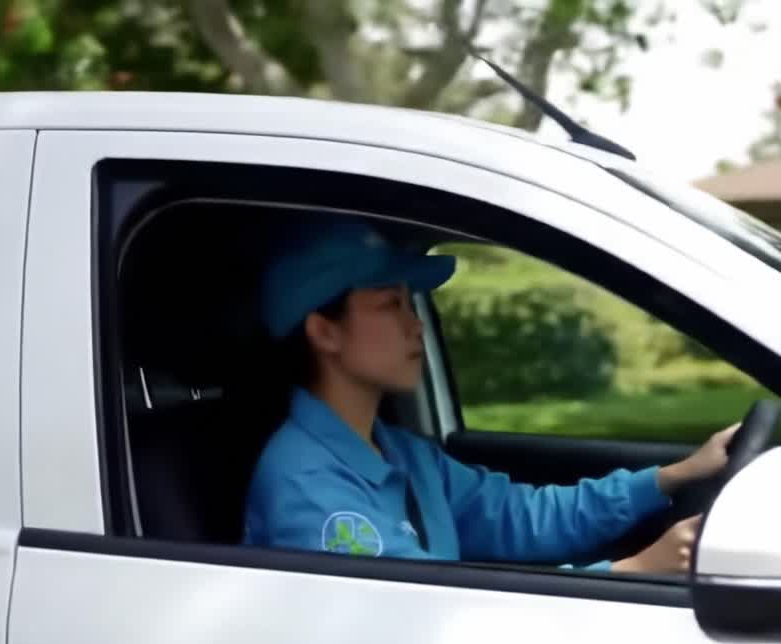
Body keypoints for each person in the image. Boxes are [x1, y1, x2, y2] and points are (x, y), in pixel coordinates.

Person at [242, 217, 737, 573]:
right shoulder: (305, 482)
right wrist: (633, 573)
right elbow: (418, 611)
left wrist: (671, 477)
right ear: (325, 333)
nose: (414, 325)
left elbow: (522, 518)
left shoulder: (404, 454)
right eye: (389, 304)